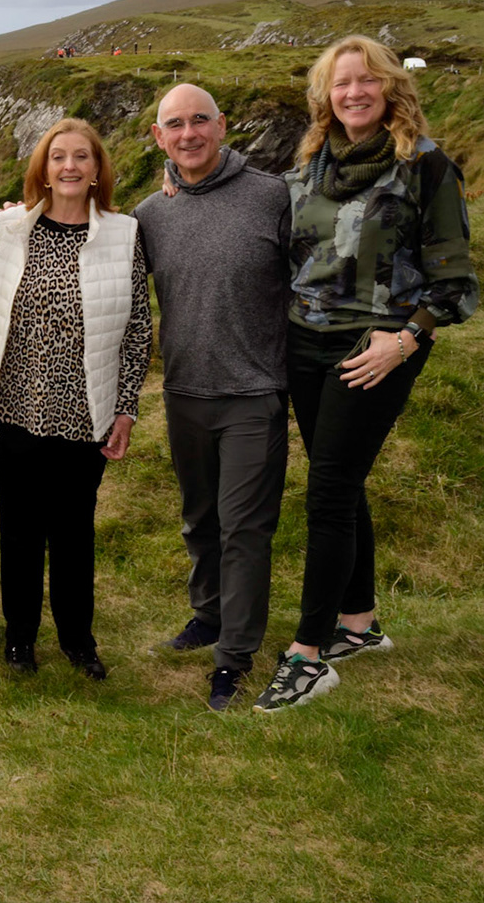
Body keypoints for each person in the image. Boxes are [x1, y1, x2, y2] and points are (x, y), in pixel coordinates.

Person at [253, 35, 478, 712]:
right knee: (340, 483)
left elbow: (454, 280)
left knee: (327, 493)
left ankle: (309, 655)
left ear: (389, 89)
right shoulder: (309, 165)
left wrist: (403, 342)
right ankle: (358, 623)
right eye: (340, 83)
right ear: (325, 96)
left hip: (375, 347)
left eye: (365, 81)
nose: (353, 93)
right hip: (306, 341)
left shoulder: (426, 168)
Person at [134, 85, 293, 710]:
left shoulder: (271, 196)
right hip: (184, 392)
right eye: (175, 124)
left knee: (244, 530)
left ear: (222, 126)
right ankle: (208, 615)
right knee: (200, 520)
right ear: (159, 137)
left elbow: (314, 278)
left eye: (200, 120)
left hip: (255, 392)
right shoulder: (152, 212)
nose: (189, 133)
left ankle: (234, 658)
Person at [0, 118, 151, 680]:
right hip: (13, 411)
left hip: (87, 413)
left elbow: (139, 331)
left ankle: (79, 641)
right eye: (58, 158)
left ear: (98, 169)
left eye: (82, 157)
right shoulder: (8, 227)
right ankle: (19, 642)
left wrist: (126, 408)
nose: (70, 166)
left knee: (75, 532)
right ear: (43, 170)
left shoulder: (125, 234)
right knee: (20, 532)